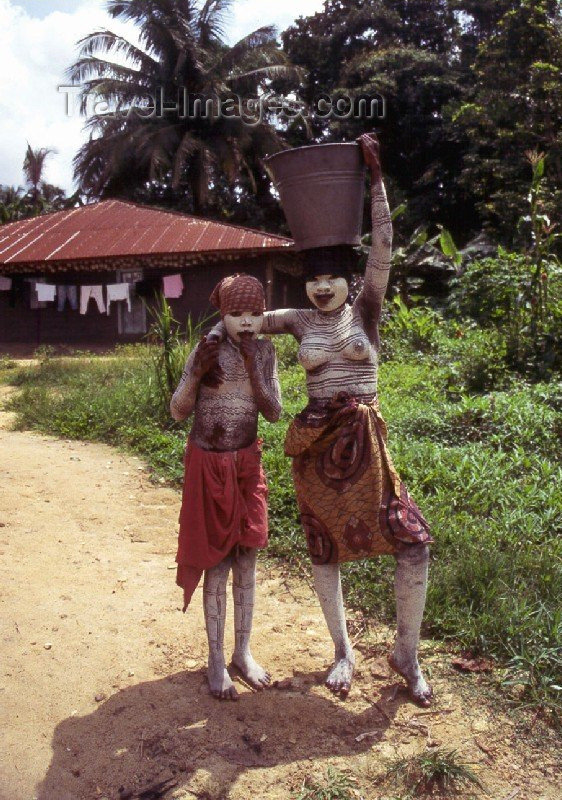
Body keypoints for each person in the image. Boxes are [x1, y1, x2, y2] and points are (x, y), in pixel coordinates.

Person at [208, 134, 433, 706]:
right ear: (305, 283)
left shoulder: (367, 308)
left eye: (333, 277)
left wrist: (376, 179)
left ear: (351, 280)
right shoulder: (298, 320)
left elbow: (382, 246)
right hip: (314, 447)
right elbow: (244, 320)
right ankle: (343, 650)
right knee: (324, 549)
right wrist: (212, 347)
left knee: (413, 542)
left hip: (367, 445)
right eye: (314, 278)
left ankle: (406, 653)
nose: (324, 286)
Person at [170, 273, 282, 701]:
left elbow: (272, 412)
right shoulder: (207, 349)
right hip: (208, 465)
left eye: (255, 313)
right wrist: (196, 372)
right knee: (215, 562)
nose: (248, 322)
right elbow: (179, 410)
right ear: (223, 313)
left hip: (246, 464)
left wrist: (255, 367)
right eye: (238, 314)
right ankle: (216, 661)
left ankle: (242, 651)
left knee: (247, 558)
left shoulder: (266, 351)